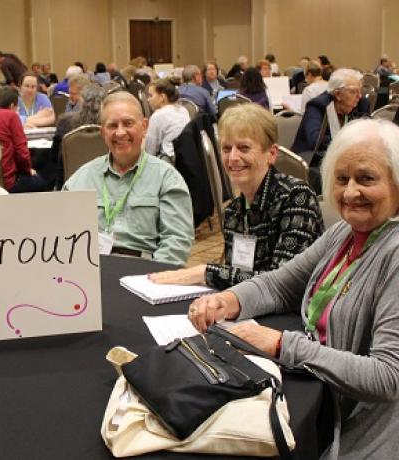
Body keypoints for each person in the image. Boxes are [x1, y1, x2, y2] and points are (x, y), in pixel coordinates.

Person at [187, 118, 399, 460]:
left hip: (358, 429)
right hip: (315, 384)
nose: (349, 192)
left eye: (367, 178)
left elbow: (388, 377)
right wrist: (228, 300)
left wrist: (282, 344)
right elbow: (280, 284)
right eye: (342, 179)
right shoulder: (343, 235)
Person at [149, 103, 322, 289]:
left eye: (244, 148)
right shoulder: (233, 211)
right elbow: (237, 278)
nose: (232, 158)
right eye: (226, 149)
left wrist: (206, 272)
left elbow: (283, 282)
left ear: (271, 154)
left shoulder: (296, 198)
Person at [63, 91, 194, 266]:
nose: (120, 133)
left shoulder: (167, 178)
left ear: (144, 126)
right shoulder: (82, 178)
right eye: (112, 126)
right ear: (102, 132)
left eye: (128, 123)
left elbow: (176, 243)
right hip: (91, 271)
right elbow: (61, 232)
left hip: (144, 273)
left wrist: (150, 279)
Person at [291, 68, 368, 160]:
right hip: (311, 159)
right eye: (353, 91)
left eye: (360, 91)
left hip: (344, 158)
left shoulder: (361, 104)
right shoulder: (317, 106)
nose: (359, 96)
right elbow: (316, 140)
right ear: (338, 94)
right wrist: (350, 142)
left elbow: (369, 133)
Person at [0, 85, 45, 193]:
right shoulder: (11, 116)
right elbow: (22, 153)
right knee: (41, 181)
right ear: (12, 105)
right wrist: (28, 170)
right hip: (8, 182)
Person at [52, 83, 106, 188]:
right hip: (104, 184)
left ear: (81, 102)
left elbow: (54, 157)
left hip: (70, 184)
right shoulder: (110, 126)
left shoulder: (64, 122)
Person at [144, 78, 190, 163]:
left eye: (151, 96)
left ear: (162, 97)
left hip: (170, 161)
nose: (148, 99)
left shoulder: (158, 116)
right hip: (186, 159)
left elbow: (150, 151)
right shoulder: (183, 110)